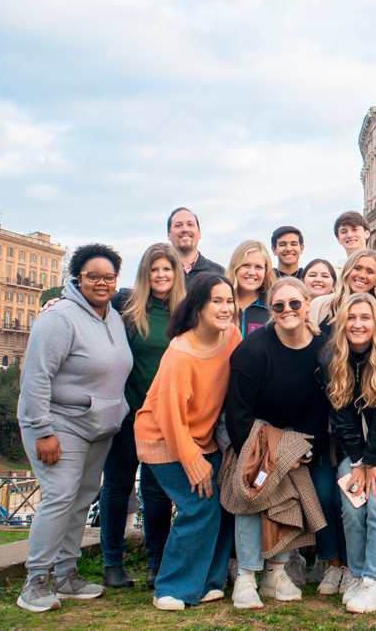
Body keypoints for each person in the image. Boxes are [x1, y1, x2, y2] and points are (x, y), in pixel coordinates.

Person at [16, 244, 134, 613]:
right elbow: (36, 377)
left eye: (109, 277)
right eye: (92, 276)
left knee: (81, 499)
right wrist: (42, 430)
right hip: (60, 424)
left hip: (99, 427)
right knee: (59, 497)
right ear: (77, 278)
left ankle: (65, 575)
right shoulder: (59, 317)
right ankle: (34, 582)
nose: (101, 282)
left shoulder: (112, 315)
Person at [225, 278, 337, 608]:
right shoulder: (253, 349)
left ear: (307, 305)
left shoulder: (324, 348)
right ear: (271, 311)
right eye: (279, 306)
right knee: (252, 491)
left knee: (289, 491)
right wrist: (258, 454)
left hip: (295, 436)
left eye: (294, 304)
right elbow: (237, 410)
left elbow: (321, 405)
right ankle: (245, 575)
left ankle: (276, 571)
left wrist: (301, 448)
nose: (287, 310)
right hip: (253, 434)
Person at [133, 273, 240, 611]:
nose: (225, 308)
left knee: (224, 502)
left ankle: (209, 581)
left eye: (229, 301)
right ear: (198, 307)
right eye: (217, 301)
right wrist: (191, 459)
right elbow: (168, 415)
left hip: (202, 438)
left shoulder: (232, 336)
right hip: (163, 439)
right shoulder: (180, 352)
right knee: (200, 503)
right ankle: (171, 588)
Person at [100, 243, 183, 590]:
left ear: (176, 274)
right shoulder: (125, 305)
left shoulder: (186, 312)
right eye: (154, 269)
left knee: (156, 493)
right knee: (117, 488)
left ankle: (156, 562)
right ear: (145, 274)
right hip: (127, 414)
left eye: (167, 269)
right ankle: (112, 562)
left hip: (163, 418)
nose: (161, 275)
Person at [321, 292, 376, 613]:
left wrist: (372, 461)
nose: (358, 324)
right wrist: (359, 461)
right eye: (352, 317)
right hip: (354, 445)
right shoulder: (330, 356)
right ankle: (357, 575)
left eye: (365, 317)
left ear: (375, 321)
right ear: (342, 321)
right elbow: (341, 415)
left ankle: (375, 582)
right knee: (353, 508)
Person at [310, 249, 376, 332]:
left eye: (369, 272)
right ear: (347, 271)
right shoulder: (320, 304)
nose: (362, 275)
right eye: (357, 268)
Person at [333, 211, 376, 299]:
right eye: (344, 232)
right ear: (338, 239)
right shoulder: (332, 272)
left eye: (354, 229)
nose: (349, 235)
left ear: (367, 233)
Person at [226, 240, 276, 336]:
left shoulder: (272, 307)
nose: (252, 272)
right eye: (246, 265)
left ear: (266, 271)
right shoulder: (220, 304)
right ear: (235, 267)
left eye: (258, 267)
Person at [166, 207, 225, 286]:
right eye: (178, 225)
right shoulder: (161, 275)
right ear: (169, 235)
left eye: (190, 225)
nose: (185, 229)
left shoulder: (218, 273)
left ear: (199, 233)